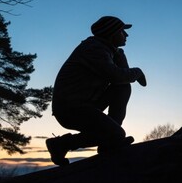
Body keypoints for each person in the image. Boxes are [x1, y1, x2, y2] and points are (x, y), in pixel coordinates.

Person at [46, 16, 146, 166]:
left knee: (123, 87)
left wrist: (119, 54)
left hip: (86, 105)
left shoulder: (108, 50)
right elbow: (117, 75)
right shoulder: (94, 48)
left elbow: (122, 79)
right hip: (70, 109)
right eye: (122, 31)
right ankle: (62, 144)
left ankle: (110, 141)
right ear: (111, 33)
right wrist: (137, 72)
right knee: (116, 134)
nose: (126, 35)